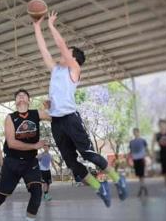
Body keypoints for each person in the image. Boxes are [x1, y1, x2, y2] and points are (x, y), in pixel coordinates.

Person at [33, 11, 127, 207]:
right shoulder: (56, 70)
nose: (62, 52)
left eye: (67, 51)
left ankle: (118, 179)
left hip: (71, 119)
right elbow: (44, 50)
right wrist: (36, 27)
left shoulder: (74, 70)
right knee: (71, 162)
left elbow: (60, 45)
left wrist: (50, 25)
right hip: (57, 122)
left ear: (73, 58)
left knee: (88, 154)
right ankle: (98, 187)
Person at [0, 89, 49, 221]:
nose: (21, 97)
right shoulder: (10, 117)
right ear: (15, 102)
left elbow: (55, 117)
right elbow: (11, 143)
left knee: (37, 192)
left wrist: (51, 108)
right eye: (18, 96)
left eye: (24, 95)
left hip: (31, 162)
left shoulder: (36, 113)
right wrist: (34, 146)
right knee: (1, 196)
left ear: (29, 100)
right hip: (12, 162)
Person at [129, 128, 149, 197]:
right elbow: (131, 151)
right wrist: (128, 158)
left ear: (138, 132)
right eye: (134, 132)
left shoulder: (143, 141)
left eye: (136, 132)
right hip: (135, 160)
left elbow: (147, 149)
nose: (135, 133)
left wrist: (150, 156)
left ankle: (141, 189)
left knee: (142, 175)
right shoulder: (131, 142)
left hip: (141, 159)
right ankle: (143, 187)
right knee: (139, 175)